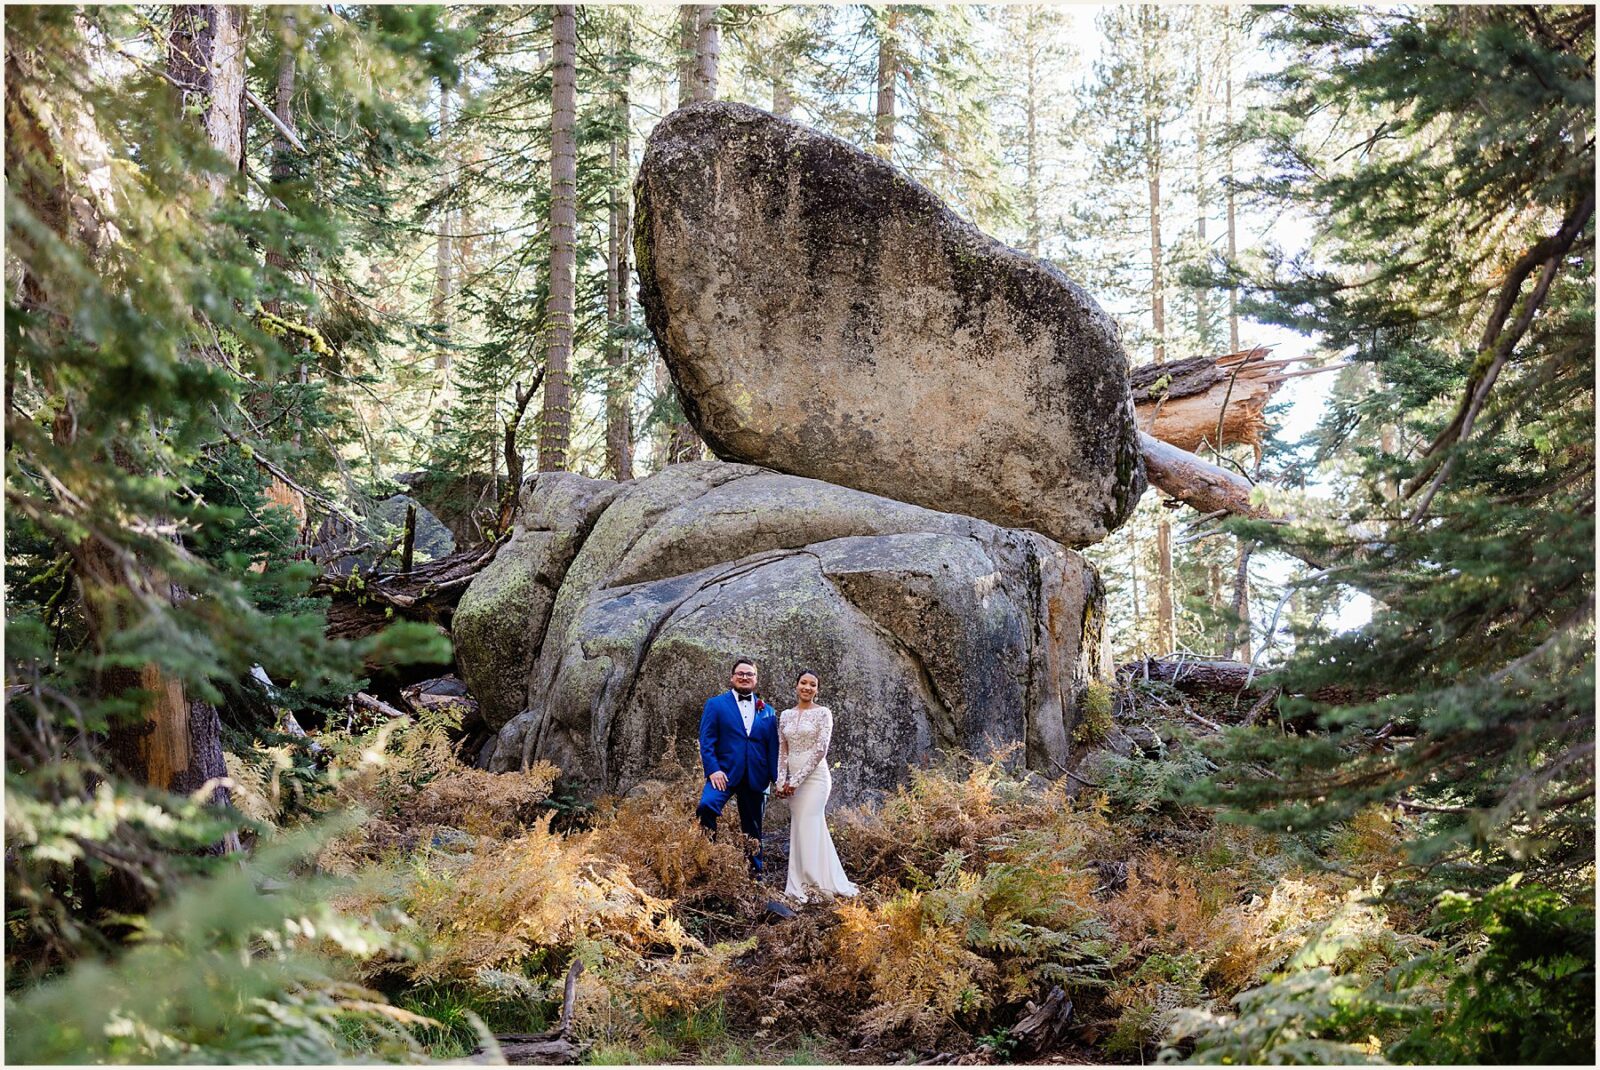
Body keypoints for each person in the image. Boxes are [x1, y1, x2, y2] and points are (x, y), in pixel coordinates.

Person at [774, 670, 858, 903]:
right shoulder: (785, 715)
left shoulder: (823, 714)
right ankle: (801, 880)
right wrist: (781, 780)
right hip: (791, 782)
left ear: (817, 690)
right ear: (796, 685)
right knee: (801, 828)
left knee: (810, 823)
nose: (807, 687)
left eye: (813, 685)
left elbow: (821, 750)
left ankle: (815, 884)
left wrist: (796, 781)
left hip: (815, 779)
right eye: (804, 683)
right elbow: (783, 749)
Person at [697, 656, 780, 875]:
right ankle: (708, 858)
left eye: (749, 674)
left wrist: (776, 779)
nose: (745, 677)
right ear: (732, 677)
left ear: (756, 679)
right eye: (740, 674)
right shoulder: (715, 705)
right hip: (724, 773)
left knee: (753, 828)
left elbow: (773, 748)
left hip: (756, 777)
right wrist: (713, 769)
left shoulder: (768, 711)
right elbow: (707, 741)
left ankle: (754, 871)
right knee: (706, 806)